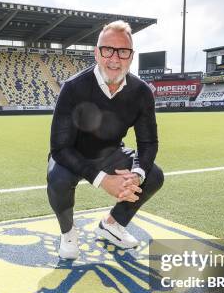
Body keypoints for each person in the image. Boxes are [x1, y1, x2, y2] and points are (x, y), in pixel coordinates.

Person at [47, 20, 164, 260]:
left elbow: (148, 143)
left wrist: (137, 174)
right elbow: (60, 148)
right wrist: (103, 180)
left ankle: (112, 224)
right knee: (58, 178)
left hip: (111, 153)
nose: (114, 58)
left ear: (131, 57)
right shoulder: (73, 88)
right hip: (74, 155)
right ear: (96, 53)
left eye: (123, 51)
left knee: (153, 175)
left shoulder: (141, 92)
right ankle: (68, 232)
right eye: (107, 50)